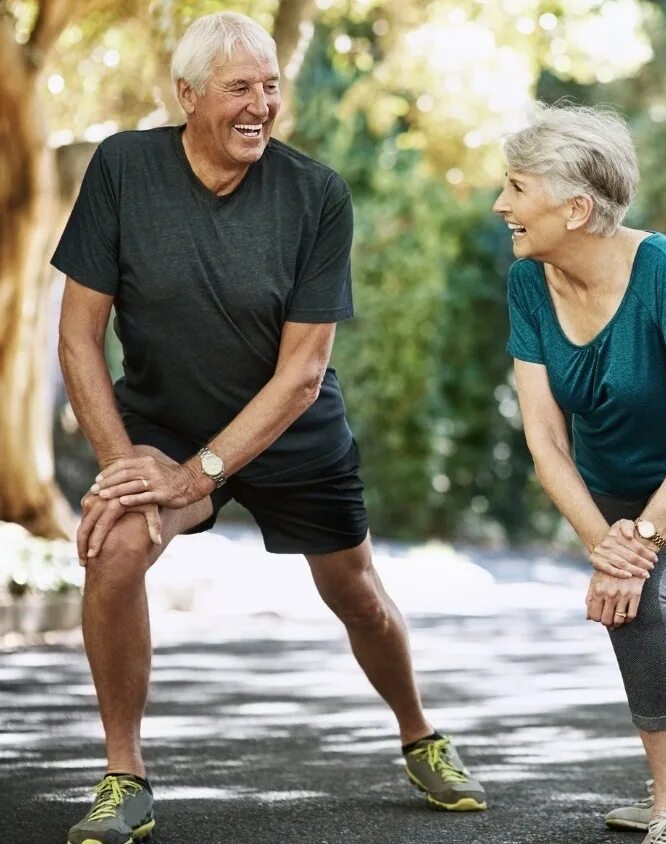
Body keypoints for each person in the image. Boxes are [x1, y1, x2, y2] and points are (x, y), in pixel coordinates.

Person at [54, 12, 486, 844]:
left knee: (357, 594)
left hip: (291, 431)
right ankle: (124, 776)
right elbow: (78, 335)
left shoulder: (316, 194)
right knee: (114, 547)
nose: (261, 105)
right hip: (164, 423)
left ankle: (419, 732)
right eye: (239, 88)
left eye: (271, 86)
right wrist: (121, 469)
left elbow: (302, 375)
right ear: (185, 96)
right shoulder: (123, 168)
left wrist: (200, 474)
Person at [494, 102, 666, 844]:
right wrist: (604, 542)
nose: (502, 206)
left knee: (642, 593)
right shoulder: (530, 281)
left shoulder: (663, 271)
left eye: (517, 189)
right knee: (662, 596)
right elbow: (546, 440)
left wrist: (639, 547)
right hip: (616, 487)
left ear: (577, 207)